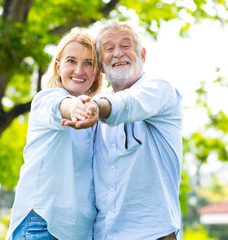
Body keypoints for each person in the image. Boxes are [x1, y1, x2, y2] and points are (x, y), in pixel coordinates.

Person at [63, 21, 183, 240]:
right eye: (109, 48)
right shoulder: (91, 111)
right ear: (101, 63)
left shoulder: (160, 90)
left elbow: (131, 102)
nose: (118, 53)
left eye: (125, 46)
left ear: (142, 54)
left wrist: (98, 107)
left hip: (153, 234)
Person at [6, 32, 103, 240]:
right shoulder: (47, 98)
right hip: (41, 225)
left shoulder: (96, 116)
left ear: (97, 72)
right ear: (58, 67)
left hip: (80, 232)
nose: (79, 70)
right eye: (71, 61)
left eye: (88, 63)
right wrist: (75, 107)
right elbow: (60, 106)